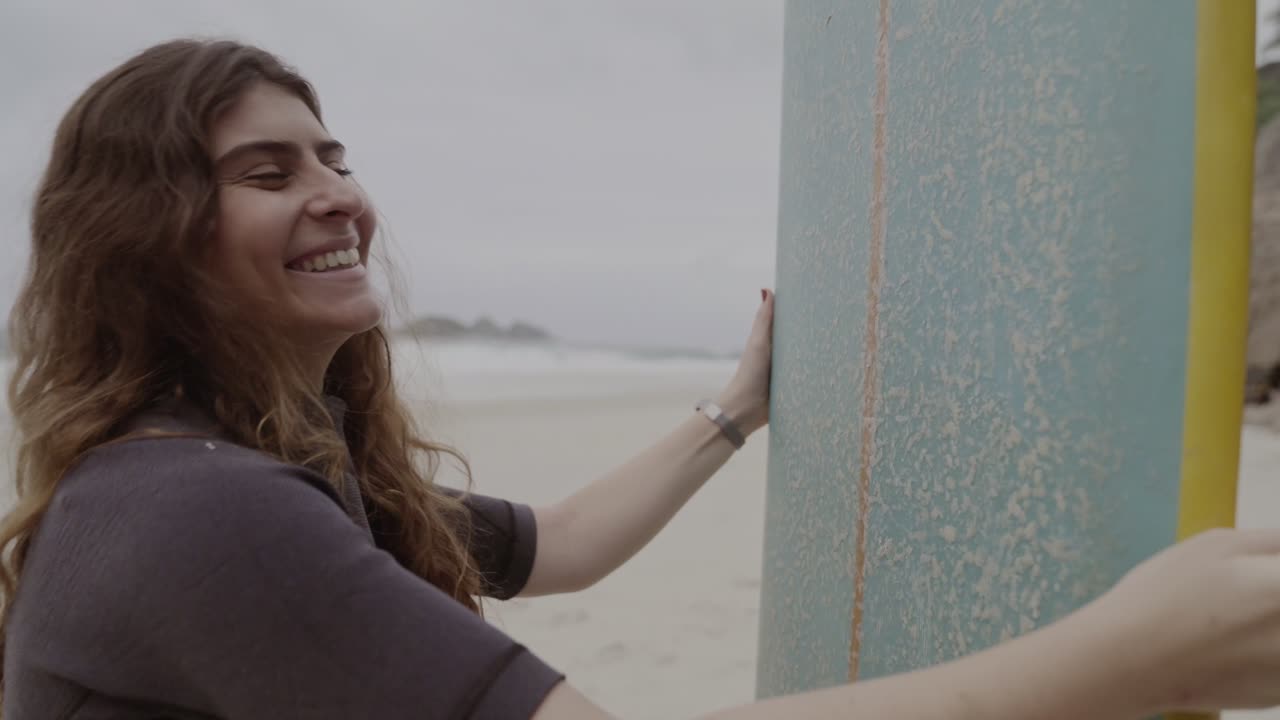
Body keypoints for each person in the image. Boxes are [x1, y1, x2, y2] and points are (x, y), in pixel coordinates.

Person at [1, 37, 1278, 720]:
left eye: (333, 156)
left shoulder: (275, 465)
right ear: (148, 237)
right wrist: (1130, 653)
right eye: (270, 173)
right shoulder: (198, 517)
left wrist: (738, 405)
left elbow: (556, 545)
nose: (338, 192)